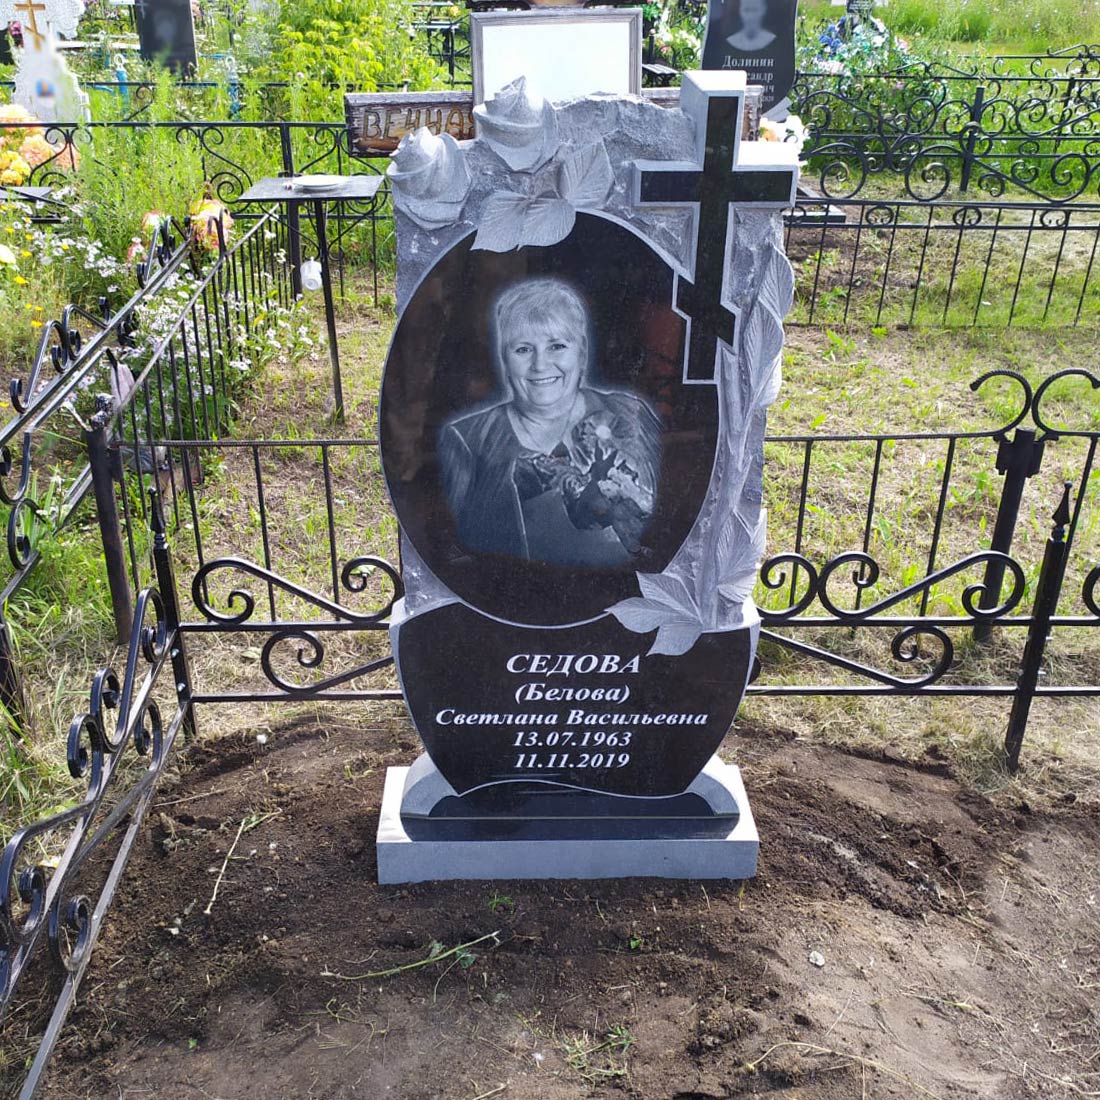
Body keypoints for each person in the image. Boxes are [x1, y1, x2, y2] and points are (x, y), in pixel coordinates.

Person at [438, 278, 661, 568]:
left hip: (625, 586)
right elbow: (451, 551)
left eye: (556, 346)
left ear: (582, 352)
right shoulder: (466, 440)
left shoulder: (631, 413)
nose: (540, 365)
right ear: (504, 359)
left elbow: (671, 517)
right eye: (523, 349)